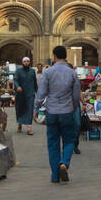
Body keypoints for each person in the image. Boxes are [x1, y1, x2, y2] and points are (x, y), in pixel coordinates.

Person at [34, 45, 82, 184]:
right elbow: (75, 94)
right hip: (67, 111)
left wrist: (36, 109)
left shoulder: (48, 72)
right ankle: (64, 163)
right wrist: (73, 107)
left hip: (52, 112)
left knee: (53, 144)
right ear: (65, 56)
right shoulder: (72, 72)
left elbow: (41, 93)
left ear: (54, 56)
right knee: (69, 140)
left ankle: (55, 175)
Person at [13, 56, 38, 135]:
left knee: (30, 110)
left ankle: (29, 128)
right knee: (20, 109)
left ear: (29, 62)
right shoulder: (18, 71)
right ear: (22, 62)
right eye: (25, 61)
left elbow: (34, 81)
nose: (26, 63)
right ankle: (19, 124)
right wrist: (18, 86)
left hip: (30, 93)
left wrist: (37, 92)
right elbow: (15, 80)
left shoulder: (32, 71)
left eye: (28, 61)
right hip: (20, 94)